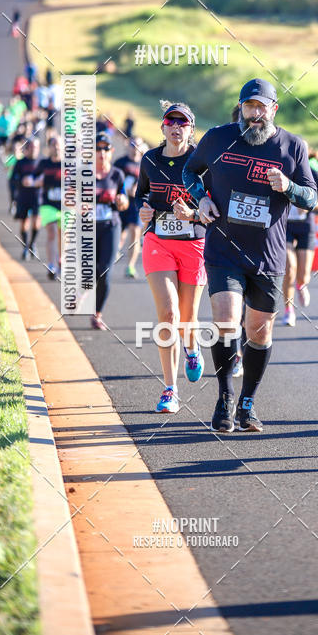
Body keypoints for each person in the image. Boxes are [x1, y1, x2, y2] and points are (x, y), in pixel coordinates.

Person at [182, 78, 317, 433]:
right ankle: (225, 397)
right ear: (240, 108)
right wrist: (202, 198)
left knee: (259, 331)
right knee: (226, 321)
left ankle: (247, 402)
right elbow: (189, 170)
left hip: (268, 256)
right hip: (224, 249)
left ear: (274, 109)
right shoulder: (217, 138)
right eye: (249, 107)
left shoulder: (292, 147)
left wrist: (288, 186)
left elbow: (311, 197)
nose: (255, 115)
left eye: (261, 107)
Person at [137, 103, 207, 413]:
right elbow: (142, 194)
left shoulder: (201, 164)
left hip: (193, 243)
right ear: (163, 127)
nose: (176, 127)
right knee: (168, 314)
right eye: (171, 121)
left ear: (191, 130)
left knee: (187, 319)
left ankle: (191, 347)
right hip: (158, 241)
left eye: (183, 123)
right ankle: (170, 389)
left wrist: (193, 215)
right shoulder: (150, 160)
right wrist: (142, 210)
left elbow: (212, 208)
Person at [283, 144, 318, 325]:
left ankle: (302, 285)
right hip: (285, 225)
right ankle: (288, 309)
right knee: (289, 268)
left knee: (302, 275)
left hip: (306, 226)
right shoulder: (282, 170)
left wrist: (308, 205)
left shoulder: (313, 174)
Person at [93, 131, 129, 330]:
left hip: (110, 226)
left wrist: (123, 201)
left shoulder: (117, 174)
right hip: (87, 228)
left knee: (105, 271)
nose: (101, 153)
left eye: (105, 149)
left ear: (111, 151)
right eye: (97, 149)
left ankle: (97, 313)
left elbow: (123, 201)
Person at [115, 138, 144, 278]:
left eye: (138, 145)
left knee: (135, 232)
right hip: (121, 203)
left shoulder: (145, 164)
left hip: (137, 204)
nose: (135, 148)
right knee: (120, 232)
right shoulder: (121, 163)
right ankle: (115, 252)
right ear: (128, 146)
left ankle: (130, 266)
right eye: (133, 145)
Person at [35, 134, 63, 279]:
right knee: (52, 232)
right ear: (49, 147)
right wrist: (36, 180)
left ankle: (61, 262)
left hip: (66, 206)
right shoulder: (43, 164)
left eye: (59, 144)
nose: (57, 147)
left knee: (63, 235)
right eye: (54, 145)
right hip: (48, 204)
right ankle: (51, 264)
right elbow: (34, 179)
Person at [11, 138, 43, 260]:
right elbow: (13, 179)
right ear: (27, 148)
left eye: (36, 147)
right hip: (23, 197)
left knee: (36, 222)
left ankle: (32, 244)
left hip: (37, 196)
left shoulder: (41, 162)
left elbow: (46, 178)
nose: (34, 150)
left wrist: (40, 182)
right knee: (24, 223)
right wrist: (21, 181)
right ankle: (25, 247)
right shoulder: (20, 163)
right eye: (32, 147)